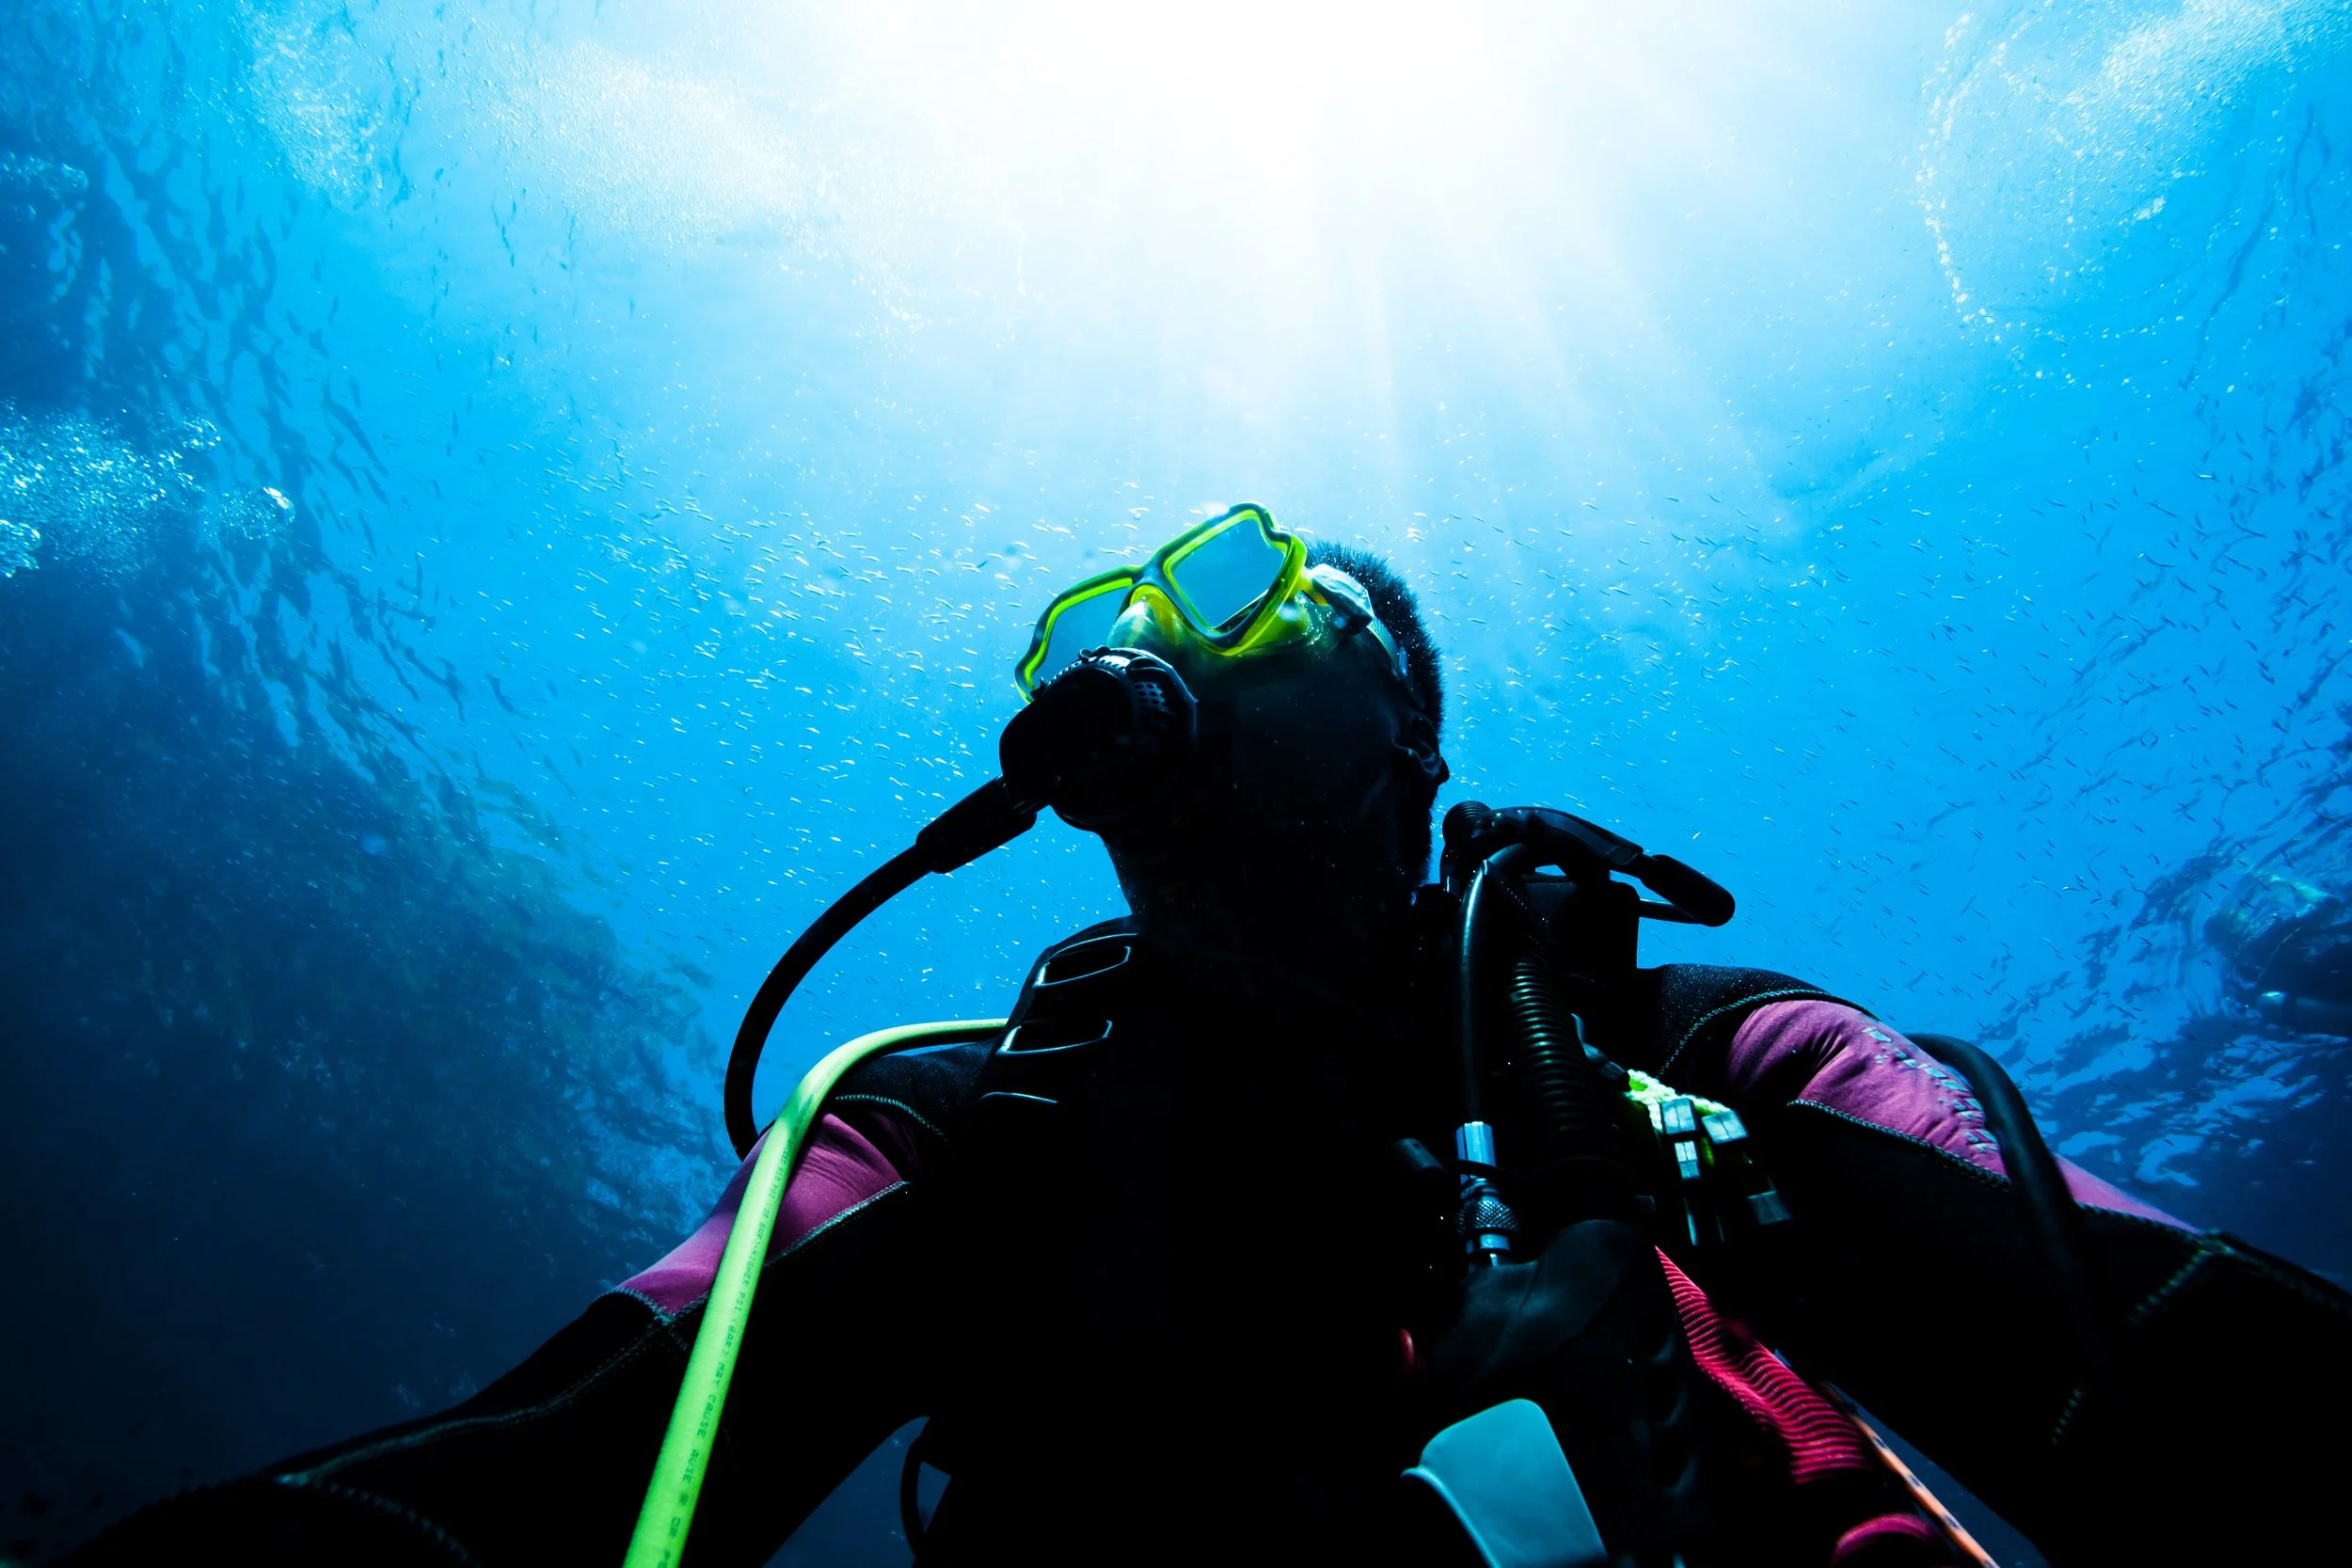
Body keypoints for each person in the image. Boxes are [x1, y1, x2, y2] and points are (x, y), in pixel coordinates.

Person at [70, 506, 2352, 1566]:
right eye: (1150, 649)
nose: (1183, 668)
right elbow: (557, 1458)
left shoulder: (1687, 1042)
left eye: (1277, 636)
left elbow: (2138, 1317)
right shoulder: (968, 1120)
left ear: (1404, 748)